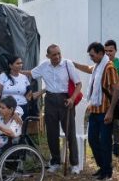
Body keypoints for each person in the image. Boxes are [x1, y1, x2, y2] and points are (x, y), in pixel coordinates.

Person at [26, 44, 83, 174]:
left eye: (58, 53)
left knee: (70, 133)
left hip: (66, 100)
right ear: (48, 56)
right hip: (50, 99)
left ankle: (74, 164)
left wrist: (72, 99)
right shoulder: (44, 66)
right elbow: (31, 73)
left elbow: (78, 84)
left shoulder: (68, 64)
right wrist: (15, 71)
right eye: (54, 55)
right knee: (51, 133)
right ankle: (55, 162)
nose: (57, 57)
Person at [73, 42, 119, 180]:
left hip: (105, 111)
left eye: (93, 55)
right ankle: (102, 167)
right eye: (90, 56)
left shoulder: (109, 68)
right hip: (95, 110)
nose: (92, 58)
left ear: (101, 53)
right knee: (93, 140)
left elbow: (115, 90)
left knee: (105, 142)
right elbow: (89, 68)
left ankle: (107, 171)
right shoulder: (98, 67)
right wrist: (73, 64)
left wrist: (111, 111)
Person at [105, 40, 119, 158]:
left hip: (114, 98)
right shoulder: (102, 63)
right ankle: (106, 147)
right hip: (103, 100)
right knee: (104, 124)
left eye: (111, 50)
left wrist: (112, 92)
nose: (108, 53)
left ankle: (117, 146)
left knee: (115, 123)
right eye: (106, 51)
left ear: (115, 51)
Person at [0, 56, 33, 120]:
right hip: (7, 107)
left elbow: (29, 92)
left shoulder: (24, 77)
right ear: (10, 65)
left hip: (22, 106)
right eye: (18, 63)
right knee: (7, 127)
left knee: (19, 127)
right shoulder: (3, 76)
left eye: (21, 63)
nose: (20, 65)